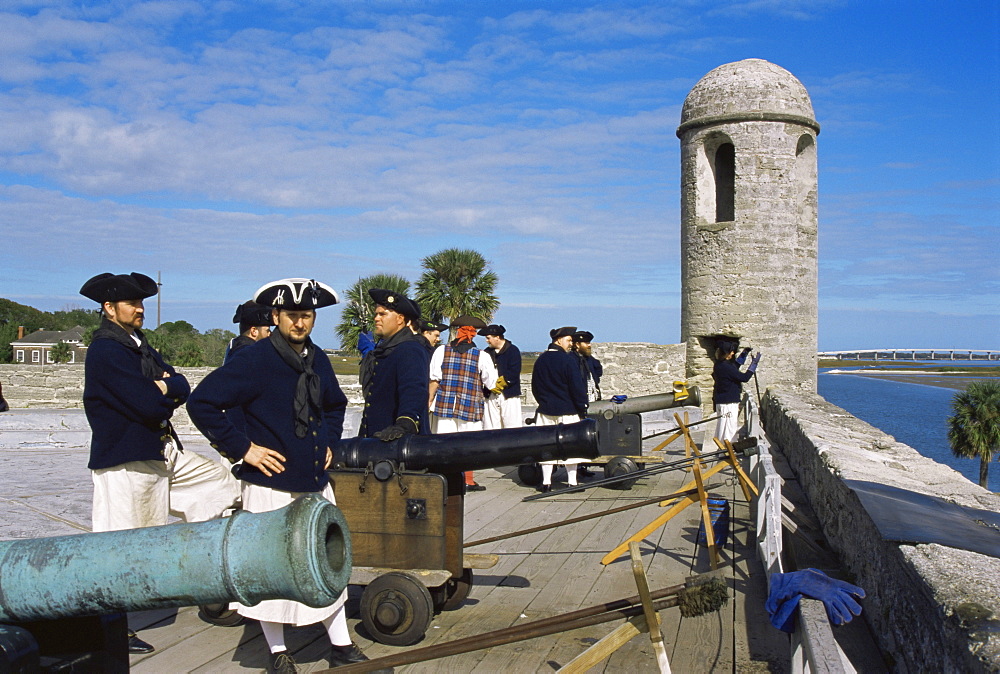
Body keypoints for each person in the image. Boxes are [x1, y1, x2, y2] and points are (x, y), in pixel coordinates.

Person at [186, 278, 372, 673]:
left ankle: (340, 644)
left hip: (314, 484)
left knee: (327, 561)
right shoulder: (254, 360)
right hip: (268, 484)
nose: (299, 323)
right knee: (269, 569)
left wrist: (331, 445)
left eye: (306, 316)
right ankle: (277, 651)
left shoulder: (318, 359)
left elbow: (335, 406)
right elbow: (201, 403)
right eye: (292, 315)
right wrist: (243, 449)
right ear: (275, 317)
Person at [79, 272, 240, 655]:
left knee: (218, 481)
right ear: (109, 308)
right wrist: (164, 388)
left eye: (141, 303)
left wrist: (167, 385)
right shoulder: (106, 350)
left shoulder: (137, 344)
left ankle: (203, 577)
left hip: (160, 450)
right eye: (132, 304)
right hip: (125, 458)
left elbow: (183, 385)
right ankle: (112, 629)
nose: (140, 309)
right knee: (122, 544)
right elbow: (149, 403)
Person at [428, 315, 497, 491]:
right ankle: (467, 481)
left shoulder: (441, 351)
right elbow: (492, 384)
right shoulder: (482, 356)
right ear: (473, 335)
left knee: (443, 445)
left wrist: (429, 401)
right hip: (471, 405)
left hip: (445, 404)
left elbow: (434, 379)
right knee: (469, 446)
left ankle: (444, 480)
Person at [358, 288, 430, 440]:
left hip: (397, 442)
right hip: (377, 440)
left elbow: (414, 388)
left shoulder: (410, 349)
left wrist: (406, 422)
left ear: (399, 319)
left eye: (383, 314)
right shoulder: (385, 349)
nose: (376, 318)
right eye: (376, 314)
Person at [530, 326, 589, 493]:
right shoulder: (568, 360)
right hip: (567, 410)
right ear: (558, 340)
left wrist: (544, 402)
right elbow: (577, 388)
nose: (571, 344)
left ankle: (546, 482)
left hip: (546, 409)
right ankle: (572, 483)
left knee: (546, 446)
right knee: (571, 446)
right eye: (569, 340)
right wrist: (582, 408)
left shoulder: (541, 360)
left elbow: (535, 387)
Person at [712, 339, 761, 443]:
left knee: (723, 428)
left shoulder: (719, 364)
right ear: (726, 354)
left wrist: (744, 354)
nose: (733, 353)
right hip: (728, 403)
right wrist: (754, 364)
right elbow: (744, 377)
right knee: (729, 429)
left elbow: (735, 366)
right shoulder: (725, 367)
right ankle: (727, 450)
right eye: (731, 351)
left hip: (722, 400)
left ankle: (723, 450)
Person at [479, 324, 523, 430]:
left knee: (512, 426)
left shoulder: (513, 350)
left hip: (509, 394)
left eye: (488, 338)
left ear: (497, 337)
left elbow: (514, 371)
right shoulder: (487, 352)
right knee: (491, 426)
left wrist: (500, 384)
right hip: (490, 394)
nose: (487, 341)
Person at [572, 330, 603, 403]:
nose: (589, 345)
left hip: (592, 397)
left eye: (589, 342)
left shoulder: (589, 359)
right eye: (586, 343)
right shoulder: (571, 359)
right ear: (577, 344)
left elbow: (598, 369)